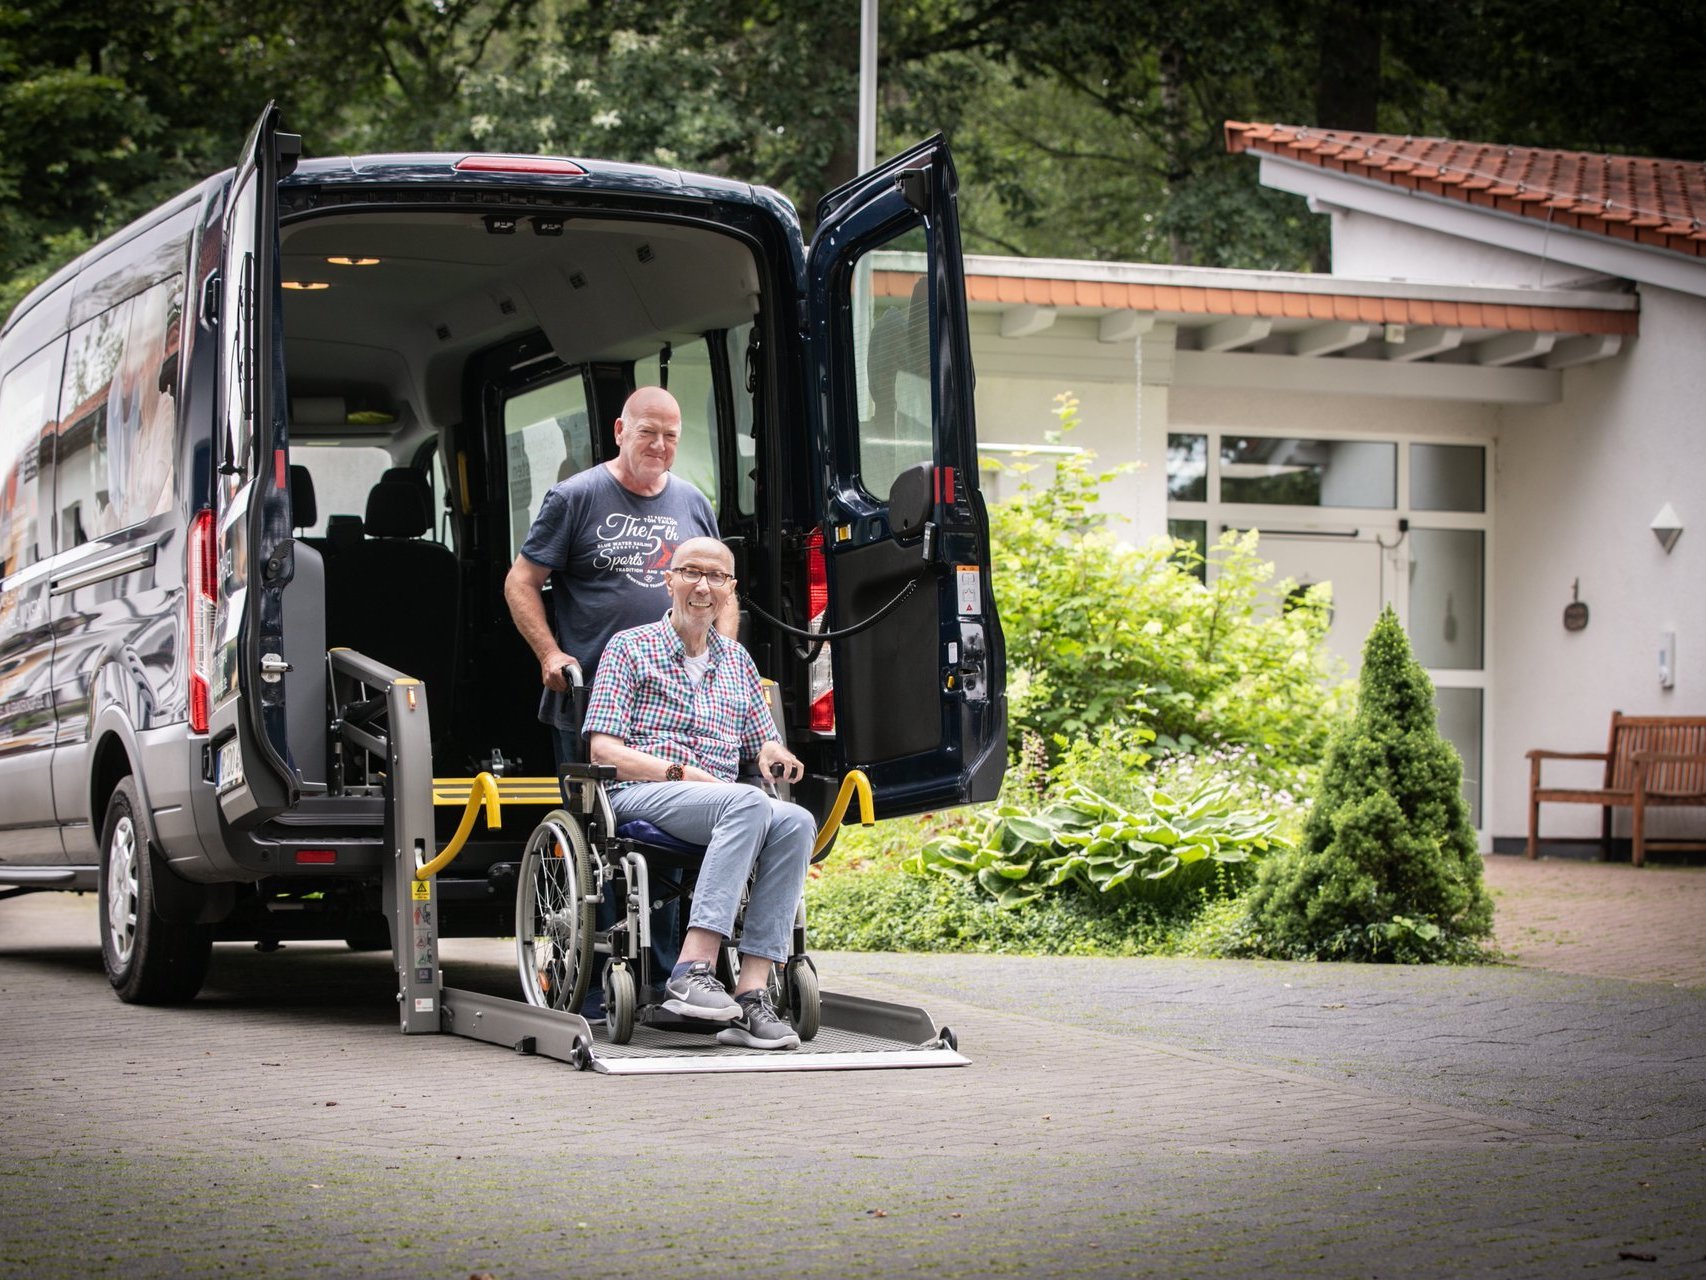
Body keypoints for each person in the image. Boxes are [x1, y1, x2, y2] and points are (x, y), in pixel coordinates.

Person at [582, 536, 814, 1051]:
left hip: (723, 808)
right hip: (644, 794)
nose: (703, 586)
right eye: (691, 573)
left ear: (730, 590)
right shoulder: (629, 648)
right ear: (669, 580)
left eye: (716, 577)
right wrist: (680, 772)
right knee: (749, 802)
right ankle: (692, 969)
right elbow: (603, 752)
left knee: (796, 820)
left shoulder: (737, 662)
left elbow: (761, 739)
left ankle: (751, 995)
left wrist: (776, 753)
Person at [505, 385, 736, 766]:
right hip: (594, 697)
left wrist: (722, 657)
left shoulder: (693, 502)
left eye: (670, 436)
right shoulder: (573, 498)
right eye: (647, 431)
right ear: (619, 432)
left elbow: (722, 589)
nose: (659, 445)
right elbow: (520, 582)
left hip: (678, 700)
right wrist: (549, 654)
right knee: (600, 819)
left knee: (682, 807)